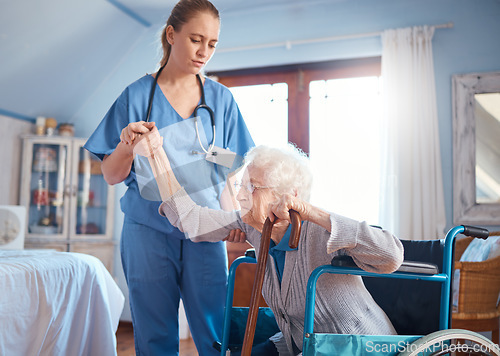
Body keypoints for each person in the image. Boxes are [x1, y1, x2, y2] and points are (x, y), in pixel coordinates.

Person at [133, 127, 404, 355]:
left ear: (289, 195)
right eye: (242, 185)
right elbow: (191, 219)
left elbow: (391, 255)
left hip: (357, 347)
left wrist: (311, 211)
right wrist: (156, 155)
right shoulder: (255, 227)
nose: (240, 196)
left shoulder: (322, 232)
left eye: (251, 187)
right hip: (301, 346)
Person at [84, 0, 254, 354]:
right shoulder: (135, 96)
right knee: (154, 333)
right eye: (196, 39)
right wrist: (127, 145)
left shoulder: (220, 99)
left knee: (214, 331)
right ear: (171, 34)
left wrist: (205, 153)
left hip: (204, 230)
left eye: (212, 43)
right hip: (148, 228)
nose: (204, 51)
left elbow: (233, 162)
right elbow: (112, 175)